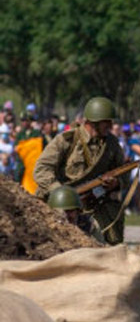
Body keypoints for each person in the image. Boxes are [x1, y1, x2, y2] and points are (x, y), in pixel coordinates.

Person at [33, 97, 129, 245]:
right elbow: (41, 169)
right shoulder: (67, 140)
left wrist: (116, 183)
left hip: (94, 204)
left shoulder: (112, 144)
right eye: (106, 121)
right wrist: (60, 193)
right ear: (93, 122)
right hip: (63, 205)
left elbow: (123, 173)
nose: (110, 125)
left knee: (108, 242)